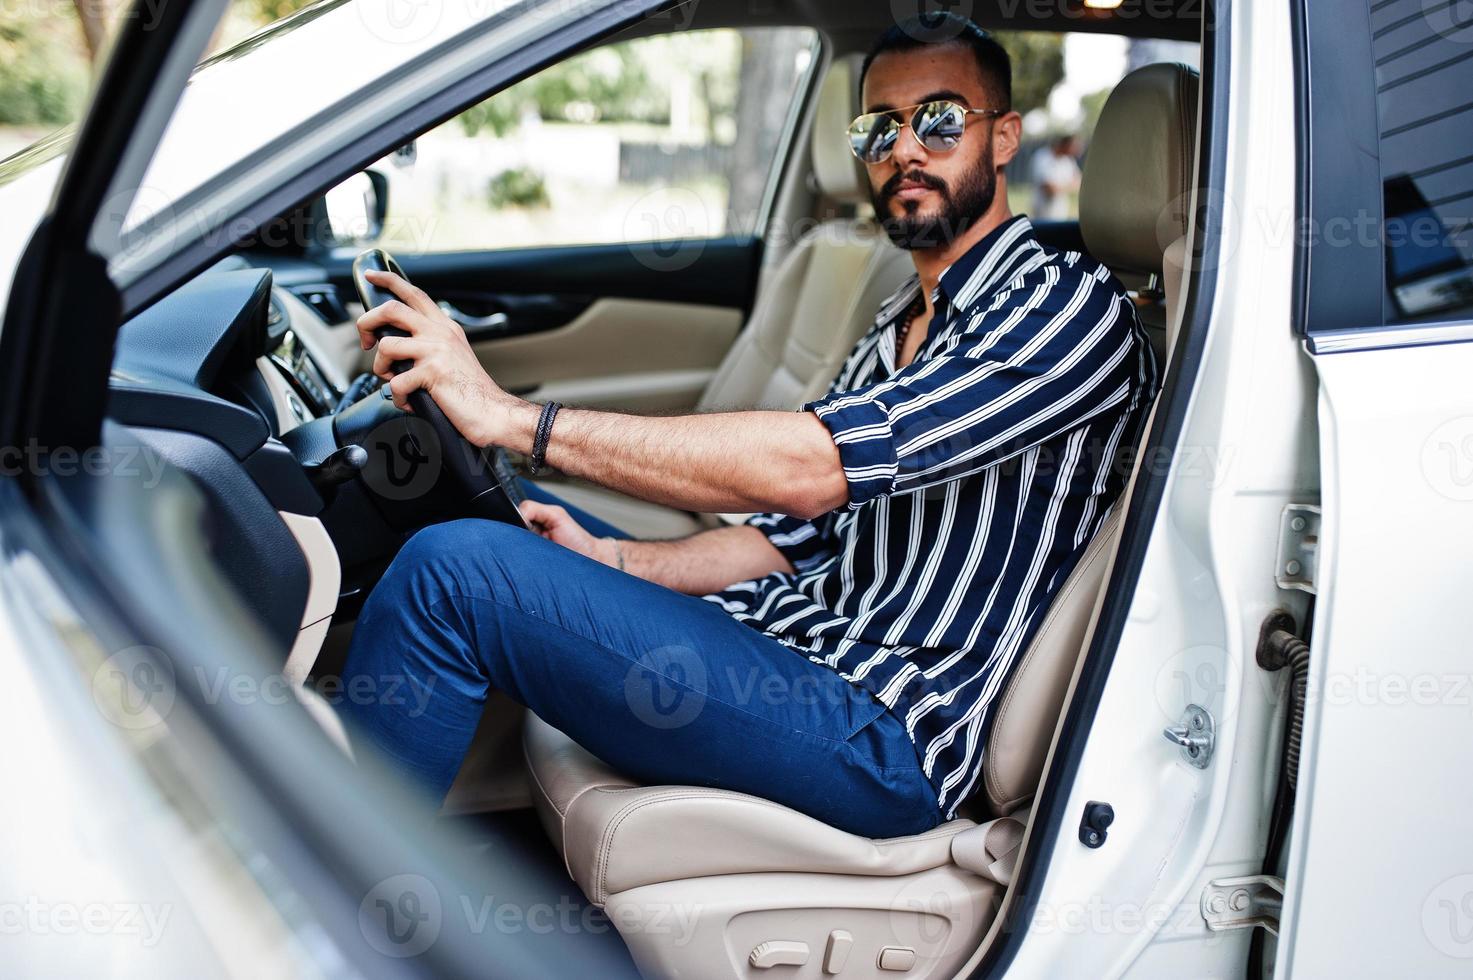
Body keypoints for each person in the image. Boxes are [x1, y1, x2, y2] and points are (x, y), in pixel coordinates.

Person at [337, 13, 1158, 839]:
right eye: (878, 129)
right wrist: (615, 557)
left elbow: (812, 469)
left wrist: (513, 418)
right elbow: (794, 534)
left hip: (881, 730)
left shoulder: (1067, 309)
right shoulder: (900, 317)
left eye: (940, 120)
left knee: (452, 575)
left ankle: (328, 914)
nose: (904, 150)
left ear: (1005, 136)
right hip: (795, 637)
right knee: (484, 516)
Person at [1029, 134, 1082, 220]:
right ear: (1065, 145)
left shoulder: (1068, 161)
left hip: (1060, 213)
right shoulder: (1042, 157)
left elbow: (1080, 183)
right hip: (1041, 213)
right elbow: (1049, 189)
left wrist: (1058, 187)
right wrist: (1069, 185)